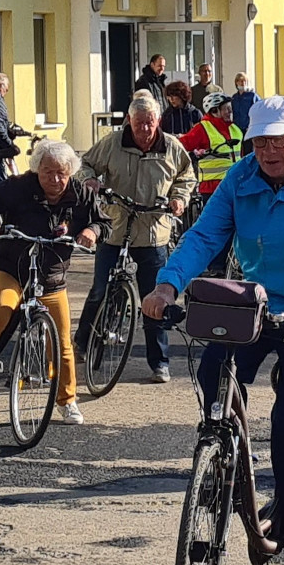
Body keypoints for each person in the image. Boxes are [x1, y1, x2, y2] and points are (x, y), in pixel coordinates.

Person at [141, 95, 284, 565]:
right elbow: (203, 236)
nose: (268, 151)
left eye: (278, 141)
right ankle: (226, 456)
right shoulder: (241, 178)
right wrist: (168, 284)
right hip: (257, 305)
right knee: (213, 373)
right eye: (259, 142)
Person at [0, 139, 101, 424]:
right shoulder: (19, 186)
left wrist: (92, 230)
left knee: (62, 341)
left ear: (71, 172)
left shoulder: (81, 194)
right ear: (36, 170)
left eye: (61, 173)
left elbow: (101, 220)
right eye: (47, 172)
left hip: (52, 276)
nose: (55, 179)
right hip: (10, 267)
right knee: (0, 311)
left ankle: (67, 401)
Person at [76, 91, 195, 382]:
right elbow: (84, 165)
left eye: (150, 122)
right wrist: (89, 180)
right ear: (129, 121)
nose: (144, 129)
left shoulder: (172, 147)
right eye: (139, 122)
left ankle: (159, 362)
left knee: (154, 300)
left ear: (159, 120)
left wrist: (178, 199)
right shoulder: (113, 142)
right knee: (100, 290)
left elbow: (186, 176)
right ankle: (84, 341)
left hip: (153, 231)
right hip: (115, 226)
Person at [179, 92, 243, 200]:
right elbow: (181, 145)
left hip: (235, 185)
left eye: (230, 108)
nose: (230, 111)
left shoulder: (235, 129)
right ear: (214, 111)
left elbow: (241, 156)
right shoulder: (202, 128)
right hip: (212, 189)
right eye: (226, 108)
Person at [232, 72, 260, 139]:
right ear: (237, 82)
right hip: (237, 129)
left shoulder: (252, 96)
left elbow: (258, 111)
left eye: (245, 81)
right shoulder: (234, 98)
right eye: (241, 81)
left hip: (249, 129)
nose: (243, 83)